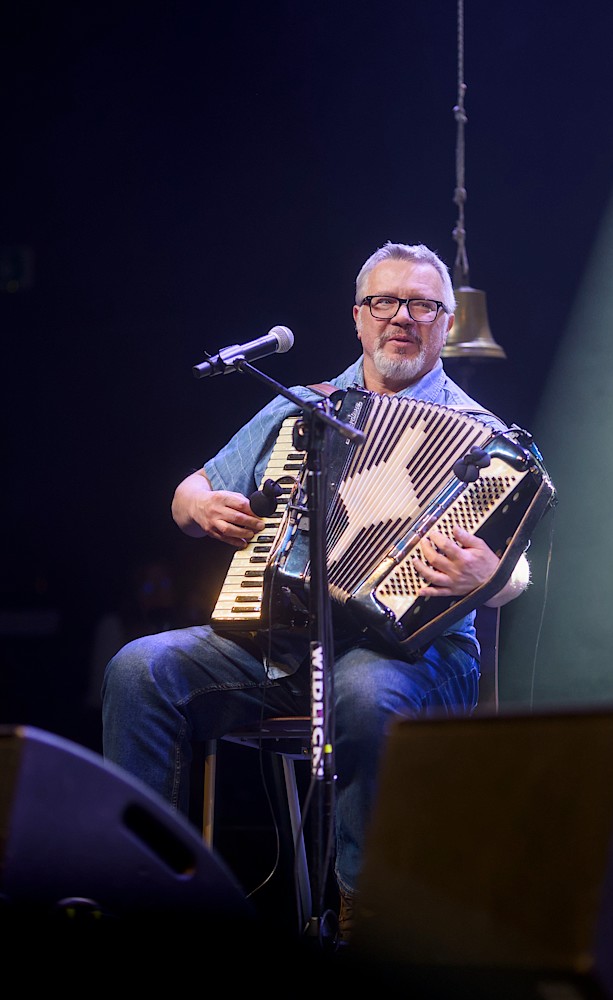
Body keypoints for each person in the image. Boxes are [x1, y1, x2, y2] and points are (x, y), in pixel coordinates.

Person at [101, 241, 531, 941]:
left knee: (362, 693)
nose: (402, 317)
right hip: (281, 643)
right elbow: (190, 492)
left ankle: (367, 916)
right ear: (358, 317)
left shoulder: (485, 440)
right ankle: (145, 896)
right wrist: (201, 506)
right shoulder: (303, 407)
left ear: (447, 324)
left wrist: (491, 576)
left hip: (412, 656)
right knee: (139, 670)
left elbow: (518, 573)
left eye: (423, 306)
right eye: (384, 302)